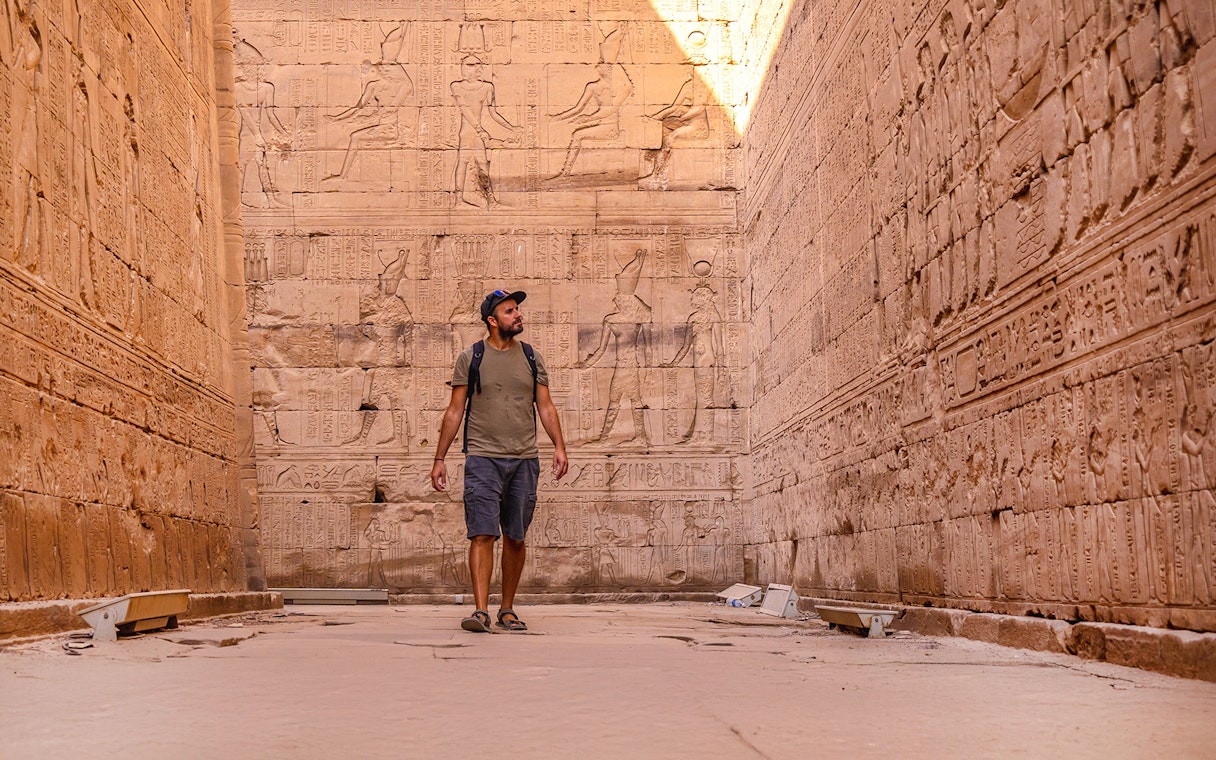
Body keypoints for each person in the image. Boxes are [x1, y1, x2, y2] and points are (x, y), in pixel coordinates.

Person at [431, 289, 568, 632]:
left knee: (516, 537)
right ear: (493, 321)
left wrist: (560, 447)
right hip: (482, 458)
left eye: (517, 309)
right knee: (482, 535)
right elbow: (455, 410)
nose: (518, 315)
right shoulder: (471, 357)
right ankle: (480, 611)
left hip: (524, 459)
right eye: (510, 311)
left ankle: (507, 608)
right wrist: (439, 458)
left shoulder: (532, 358)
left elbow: (546, 407)